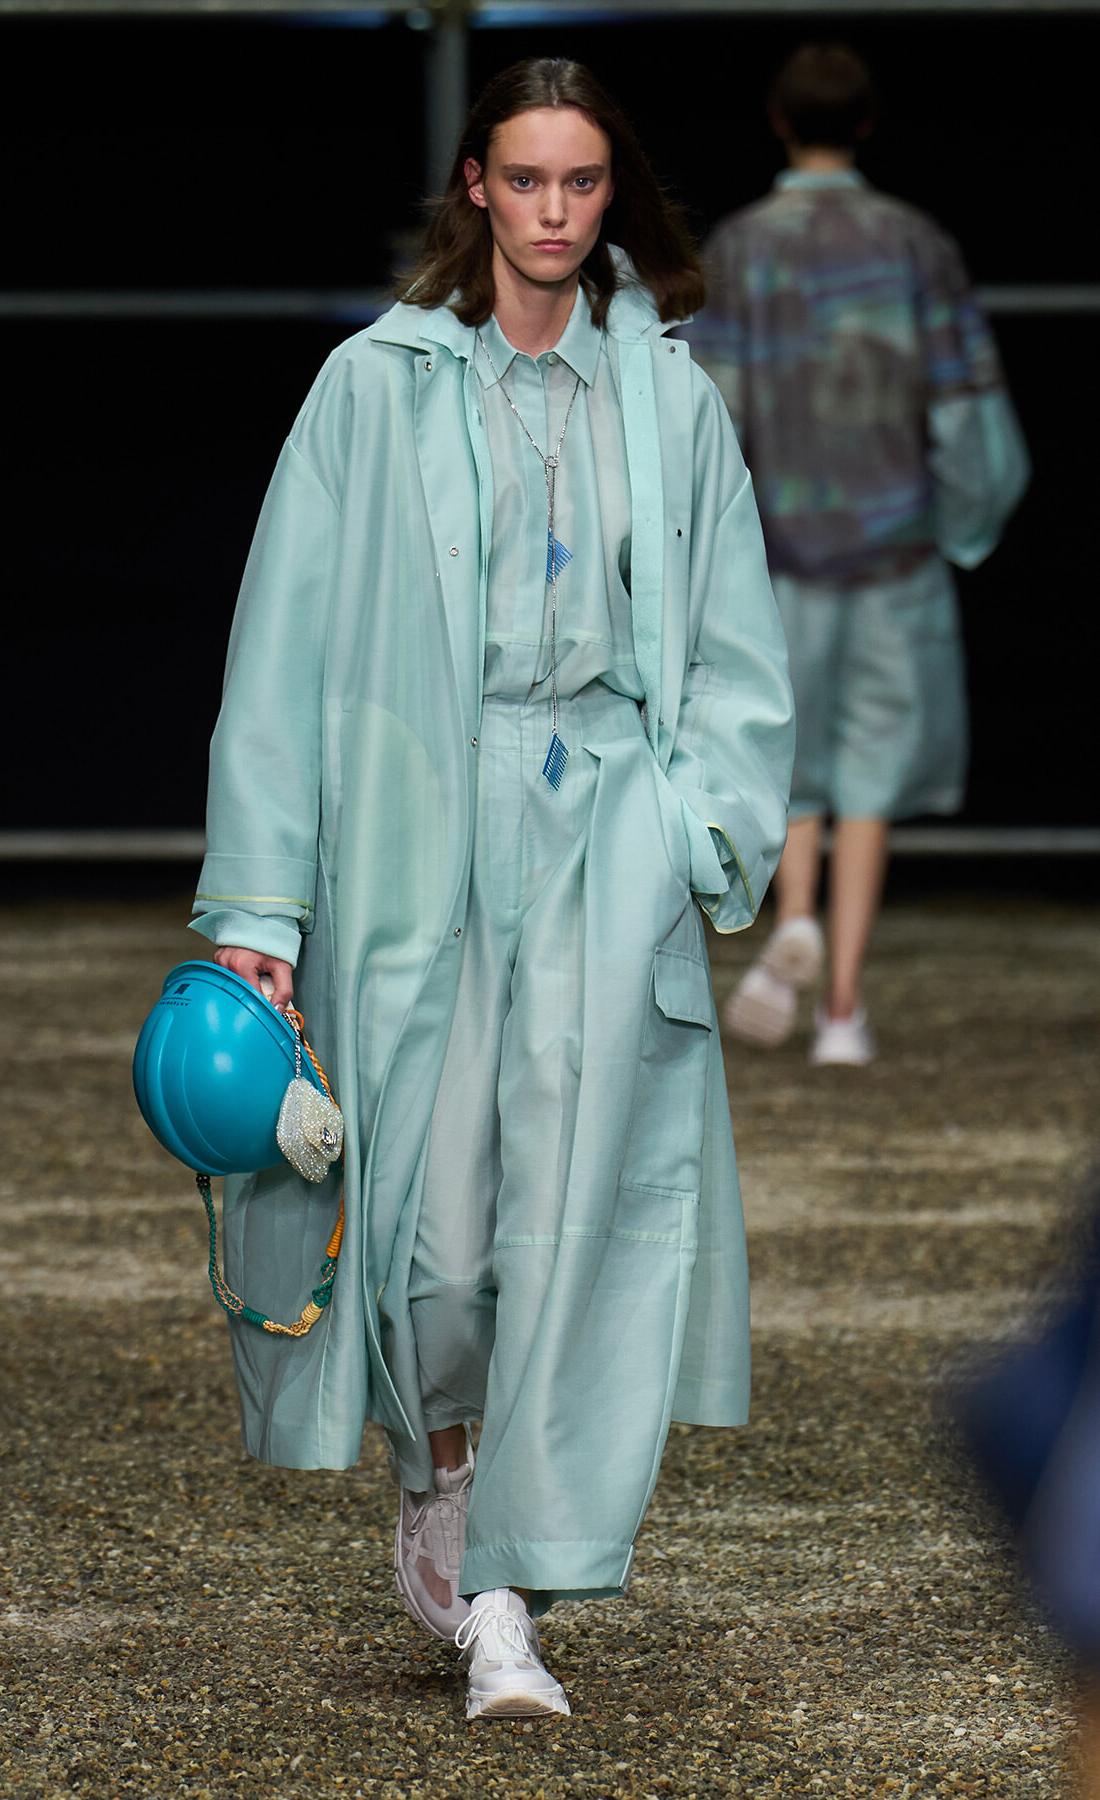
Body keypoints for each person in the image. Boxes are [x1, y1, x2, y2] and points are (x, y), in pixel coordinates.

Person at [187, 57, 793, 1722]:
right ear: (474, 185)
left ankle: (507, 1595)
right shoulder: (370, 390)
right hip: (415, 841)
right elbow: (283, 651)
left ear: (613, 194)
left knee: (578, 1227)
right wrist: (257, 916)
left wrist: (688, 830)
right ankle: (445, 1505)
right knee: (435, 1232)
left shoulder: (671, 400)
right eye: (521, 180)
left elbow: (740, 646)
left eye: (578, 183)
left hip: (605, 837)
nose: (548, 211)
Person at [682, 43, 1029, 1065]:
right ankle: (840, 1009)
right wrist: (969, 520)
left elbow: (714, 414)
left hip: (780, 552)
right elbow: (968, 402)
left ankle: (793, 918)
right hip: (893, 550)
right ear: (868, 124)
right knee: (871, 782)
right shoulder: (915, 242)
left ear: (781, 124)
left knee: (791, 766)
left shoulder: (742, 248)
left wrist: (706, 555)